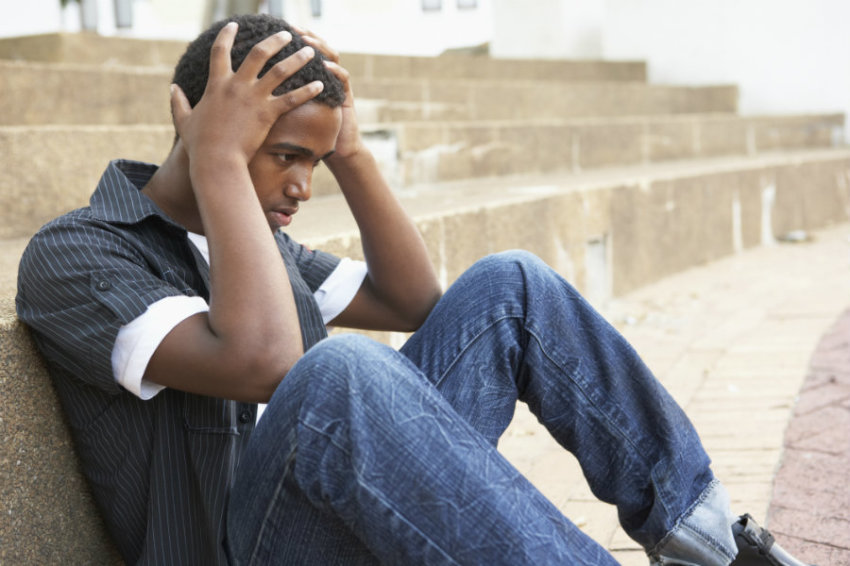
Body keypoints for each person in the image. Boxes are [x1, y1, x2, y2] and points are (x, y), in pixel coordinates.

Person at [16, 14, 813, 566]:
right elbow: (264, 360)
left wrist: (353, 155)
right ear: (196, 125)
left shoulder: (264, 243)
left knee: (510, 286)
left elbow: (412, 303)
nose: (300, 188)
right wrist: (221, 159)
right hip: (248, 549)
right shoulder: (80, 255)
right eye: (283, 154)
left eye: (314, 166)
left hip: (340, 514)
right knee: (337, 373)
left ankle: (708, 541)